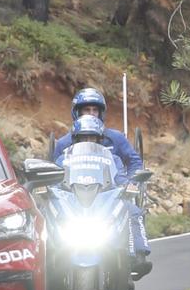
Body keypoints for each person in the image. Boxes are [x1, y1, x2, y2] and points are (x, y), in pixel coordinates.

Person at [54, 87, 152, 278]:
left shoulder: (115, 138)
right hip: (75, 194)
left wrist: (133, 182)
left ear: (101, 112)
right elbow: (55, 173)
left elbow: (134, 161)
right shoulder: (64, 143)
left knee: (131, 209)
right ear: (77, 112)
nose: (91, 114)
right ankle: (50, 258)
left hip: (112, 189)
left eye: (95, 110)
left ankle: (137, 256)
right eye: (86, 110)